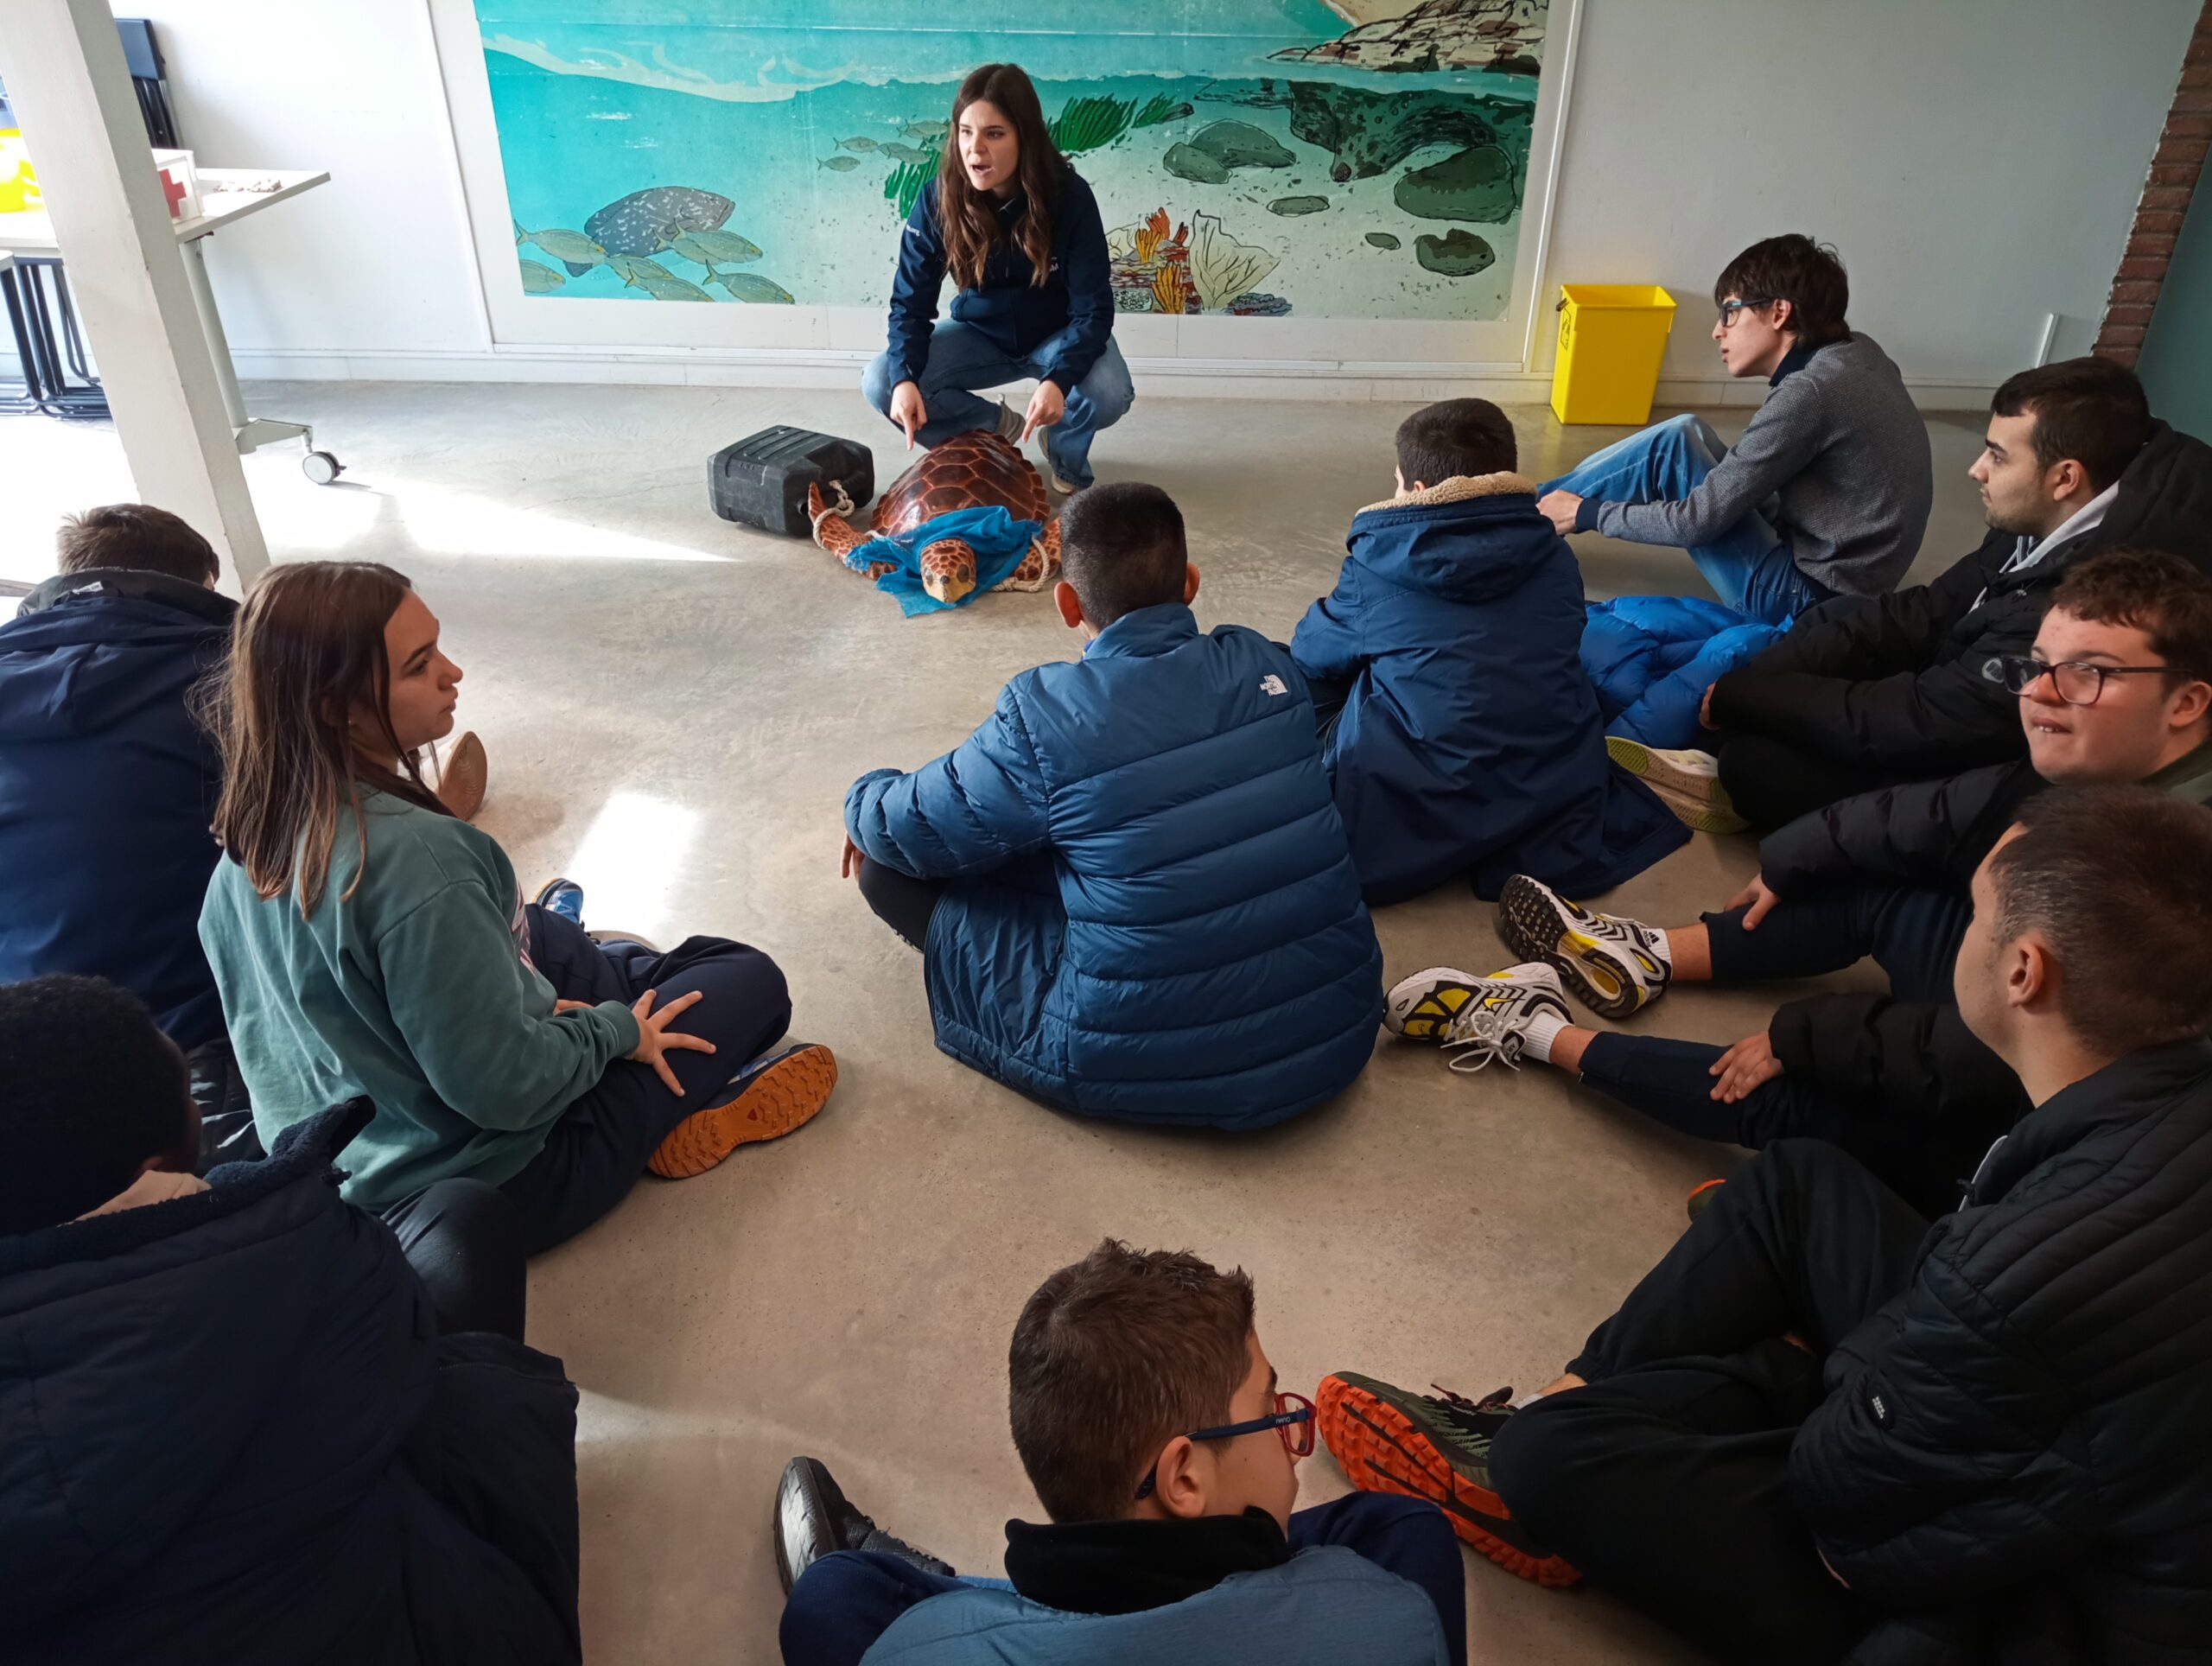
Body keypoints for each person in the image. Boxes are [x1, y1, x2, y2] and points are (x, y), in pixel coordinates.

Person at [1323, 785, 2212, 1663]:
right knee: (1801, 1184)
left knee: (1553, 1455)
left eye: (1973, 914)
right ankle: (1571, 1395)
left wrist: (1832, 1370)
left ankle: (1530, 1462)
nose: (1958, 931)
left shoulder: (2009, 1270)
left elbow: (1844, 1501)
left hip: (2009, 1614)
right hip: (2063, 1465)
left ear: (2023, 971)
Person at [1387, 549, 2212, 1215]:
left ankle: (1537, 1028)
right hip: (2015, 1035)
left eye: (2089, 673)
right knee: (1882, 890)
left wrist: (1805, 1039)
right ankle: (1647, 953)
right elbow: (1939, 814)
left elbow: (1983, 1057)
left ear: (2186, 703)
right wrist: (1800, 856)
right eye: (2037, 665)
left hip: (2025, 1143)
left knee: (1795, 1093)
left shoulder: (2163, 880)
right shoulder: (2109, 768)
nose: (2038, 693)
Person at [196, 561, 834, 1264]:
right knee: (747, 979)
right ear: (335, 707)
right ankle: (679, 1081)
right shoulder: (421, 863)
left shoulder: (242, 852)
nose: (454, 672)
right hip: (505, 1176)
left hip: (345, 1171)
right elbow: (504, 1090)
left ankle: (585, 973)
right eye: (419, 666)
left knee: (543, 934)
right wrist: (612, 1032)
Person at [0, 973, 580, 1663]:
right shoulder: (299, 1247)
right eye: (190, 1096)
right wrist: (608, 1032)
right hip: (418, 1629)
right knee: (462, 1239)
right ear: (150, 1168)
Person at [842, 483, 1382, 1129]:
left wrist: (867, 792)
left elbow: (903, 826)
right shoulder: (1267, 665)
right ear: (1190, 584)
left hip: (1135, 1057)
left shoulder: (1045, 716)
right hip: (1335, 1023)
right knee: (1096, 826)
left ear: (1067, 603)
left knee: (889, 868)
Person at [775, 1239, 1465, 1666]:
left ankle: (1017, 1595)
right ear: (1183, 1478)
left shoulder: (911, 1653)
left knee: (832, 1593)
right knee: (1401, 1526)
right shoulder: (1392, 1623)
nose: (1292, 1439)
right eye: (1269, 1411)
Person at [1667, 355, 2212, 832]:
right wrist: (1761, 684)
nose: (1975, 470)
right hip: (1962, 685)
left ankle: (1721, 753)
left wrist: (1756, 698)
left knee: (1757, 764)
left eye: (1997, 456)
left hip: (2001, 762)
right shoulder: (2058, 505)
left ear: (2065, 478)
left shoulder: (2080, 604)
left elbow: (1927, 720)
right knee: (1835, 620)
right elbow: (1931, 608)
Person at [1289, 397, 1687, 905]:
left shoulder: (1378, 566)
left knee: (1299, 677)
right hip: (1551, 785)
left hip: (1415, 798)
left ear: (1417, 491)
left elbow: (1311, 652)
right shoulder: (1555, 555)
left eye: (1398, 482)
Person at [1535, 235, 1932, 625]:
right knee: (1682, 434)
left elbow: (1695, 522)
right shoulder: (1857, 352)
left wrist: (1587, 513)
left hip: (1807, 602)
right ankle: (1524, 512)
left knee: (1669, 453)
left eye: (1730, 312)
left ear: (1779, 313)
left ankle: (1515, 518)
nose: (1717, 330)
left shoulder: (1810, 393)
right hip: (1844, 570)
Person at [861, 62, 1133, 495]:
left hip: (1057, 335)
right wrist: (907, 378)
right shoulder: (936, 201)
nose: (975, 149)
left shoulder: (1071, 197)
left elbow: (1094, 311)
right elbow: (909, 305)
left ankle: (1064, 454)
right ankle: (992, 429)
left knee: (1109, 390)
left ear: (1025, 137)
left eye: (994, 134)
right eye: (965, 132)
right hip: (980, 335)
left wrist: (1058, 380)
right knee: (882, 381)